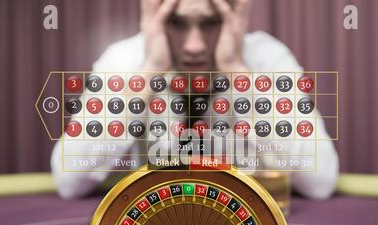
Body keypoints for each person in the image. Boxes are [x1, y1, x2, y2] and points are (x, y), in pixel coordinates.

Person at [51, 0, 339, 200]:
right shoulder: (127, 59)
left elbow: (320, 181)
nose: (194, 46)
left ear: (236, 16)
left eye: (211, 23)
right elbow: (69, 180)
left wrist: (237, 71)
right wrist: (150, 70)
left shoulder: (266, 58)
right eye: (177, 23)